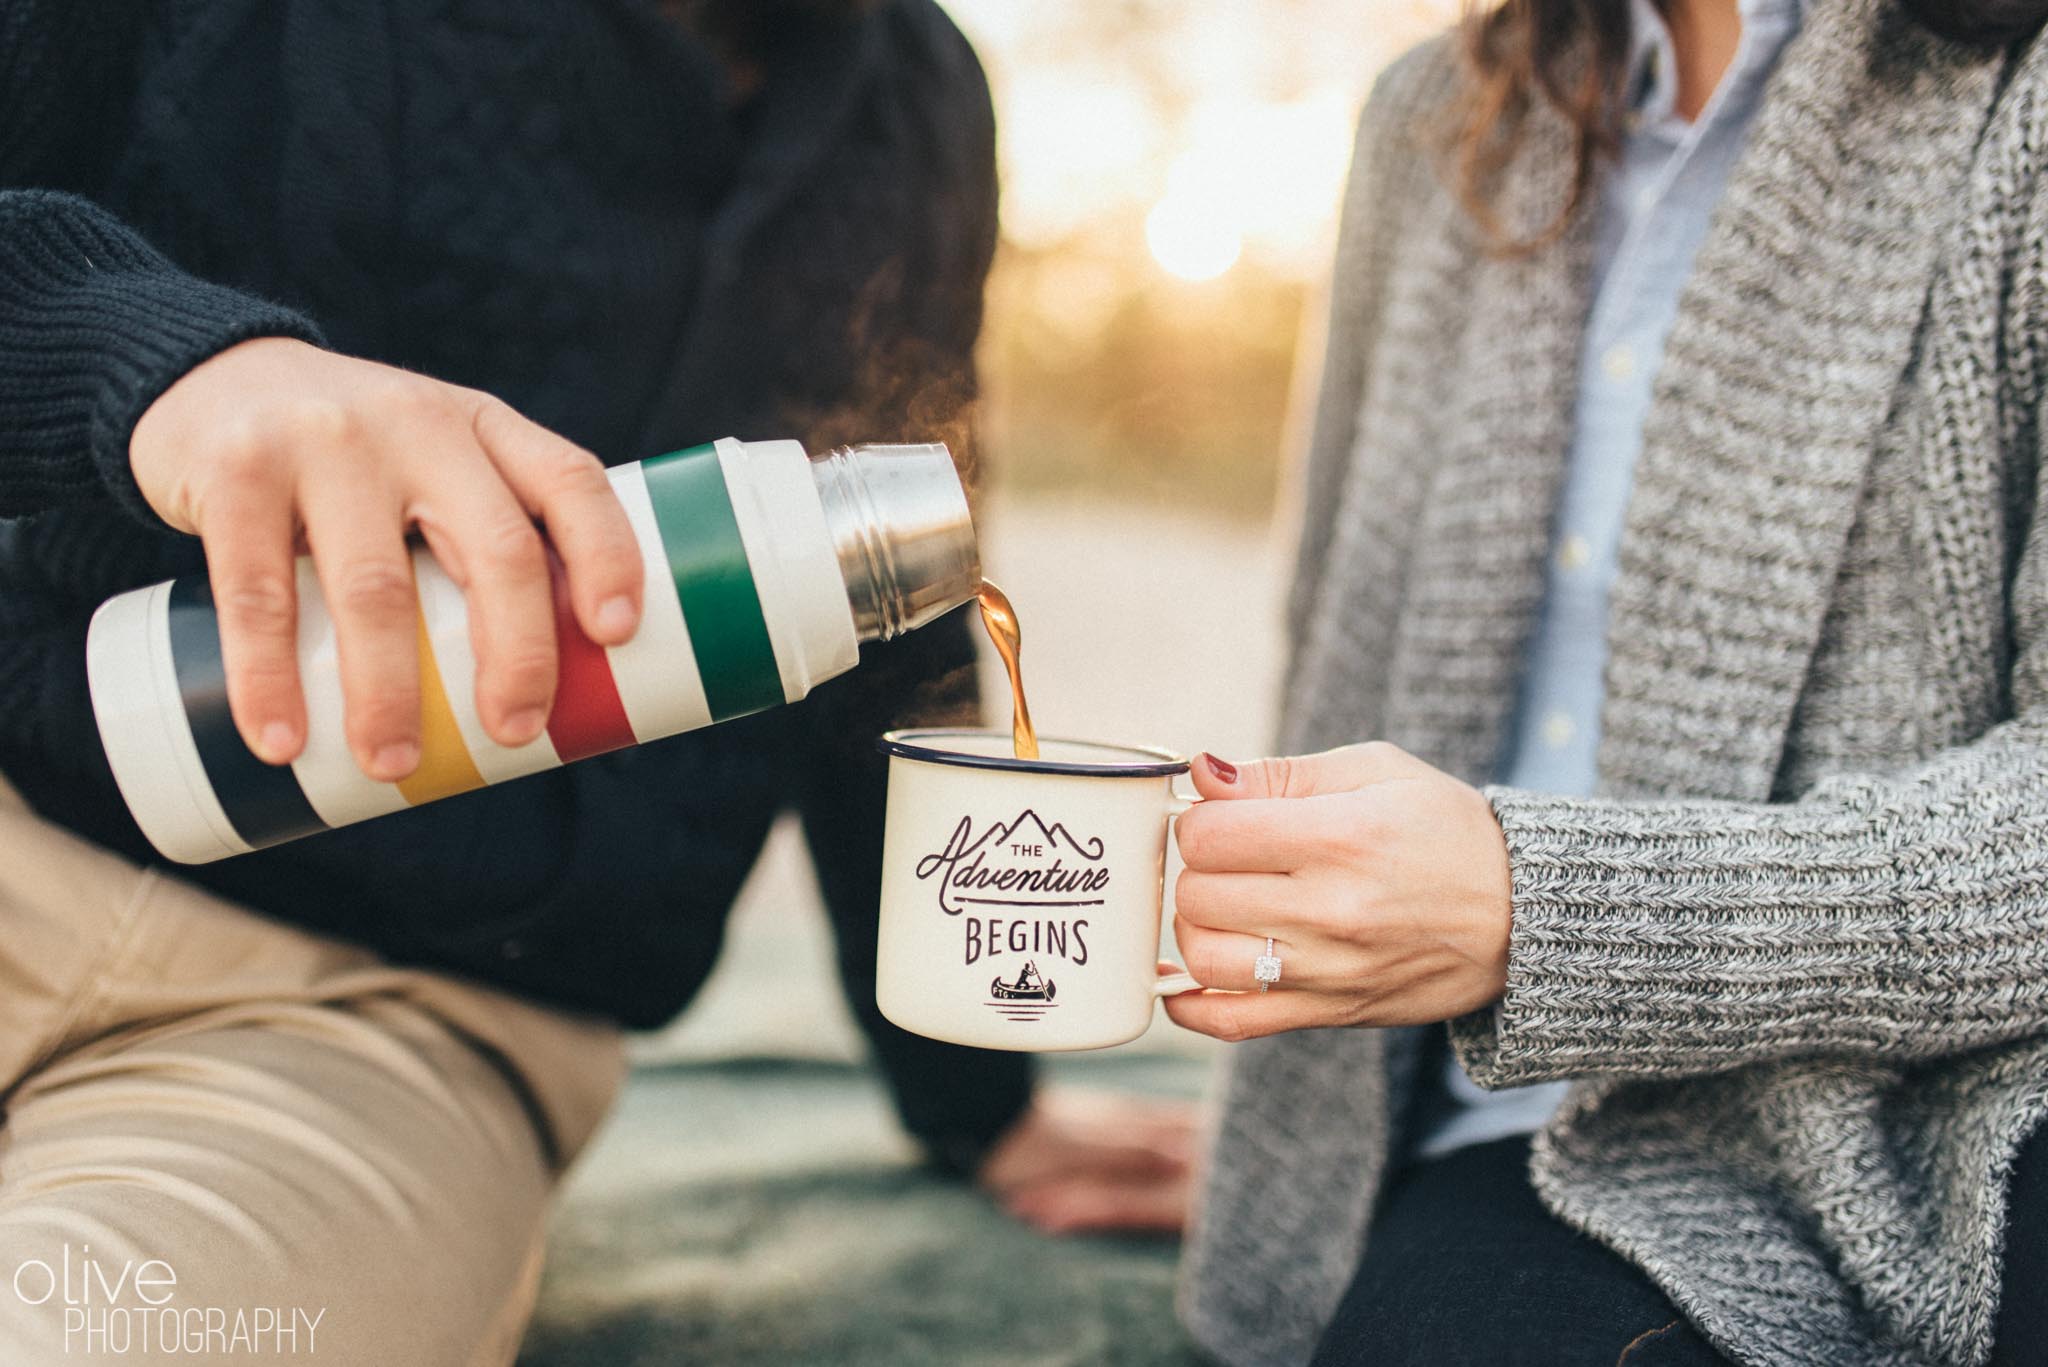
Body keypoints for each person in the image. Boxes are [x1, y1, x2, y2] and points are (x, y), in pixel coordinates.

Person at [0, 2, 1189, 1360]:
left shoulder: (910, 100)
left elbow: (884, 612)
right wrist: (161, 369)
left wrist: (979, 1097)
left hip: (377, 1022)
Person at [1162, 0, 2048, 1362]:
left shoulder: (2020, 108)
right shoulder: (1431, 119)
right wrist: (1288, 1148)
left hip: (1963, 1120)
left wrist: (1547, 906)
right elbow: (1334, 640)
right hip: (1537, 1138)